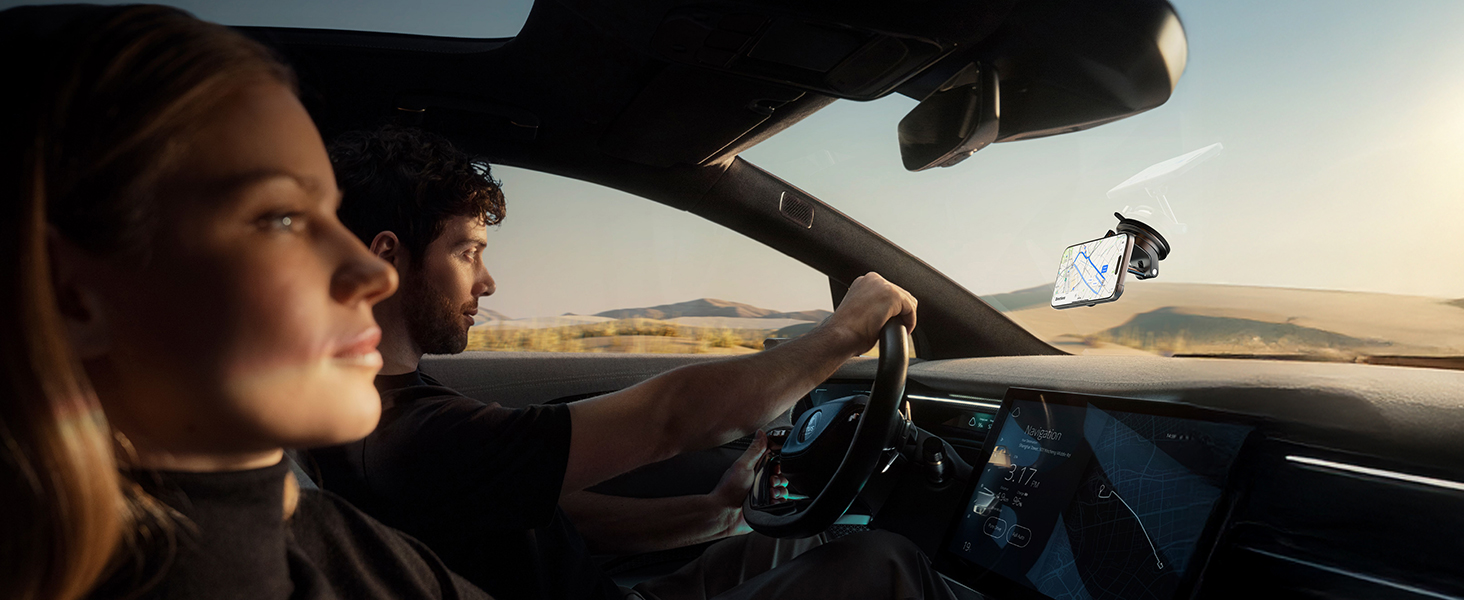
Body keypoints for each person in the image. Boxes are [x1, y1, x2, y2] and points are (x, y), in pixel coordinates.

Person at [311, 126, 959, 600]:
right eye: (466, 252)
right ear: (387, 258)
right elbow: (668, 418)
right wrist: (843, 332)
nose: (487, 282)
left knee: (800, 543)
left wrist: (714, 509)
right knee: (883, 564)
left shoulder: (387, 403)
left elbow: (553, 514)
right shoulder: (408, 437)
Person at [0, 5, 496, 599]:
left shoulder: (353, 548)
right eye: (281, 217)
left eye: (329, 215)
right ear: (70, 295)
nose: (373, 272)